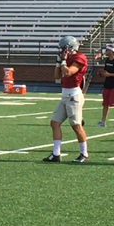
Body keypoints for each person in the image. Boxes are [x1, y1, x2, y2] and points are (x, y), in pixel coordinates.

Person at [44, 35, 89, 163]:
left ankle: (84, 154)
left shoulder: (79, 57)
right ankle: (56, 154)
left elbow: (69, 72)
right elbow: (57, 77)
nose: (62, 50)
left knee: (76, 125)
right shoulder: (67, 58)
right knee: (55, 123)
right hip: (65, 95)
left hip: (74, 95)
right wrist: (59, 62)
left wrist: (63, 61)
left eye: (64, 48)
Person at [97, 44, 114, 128]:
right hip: (107, 85)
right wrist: (102, 73)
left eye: (107, 50)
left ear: (111, 51)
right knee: (105, 104)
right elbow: (106, 71)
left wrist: (109, 74)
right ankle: (103, 121)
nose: (106, 52)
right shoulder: (107, 60)